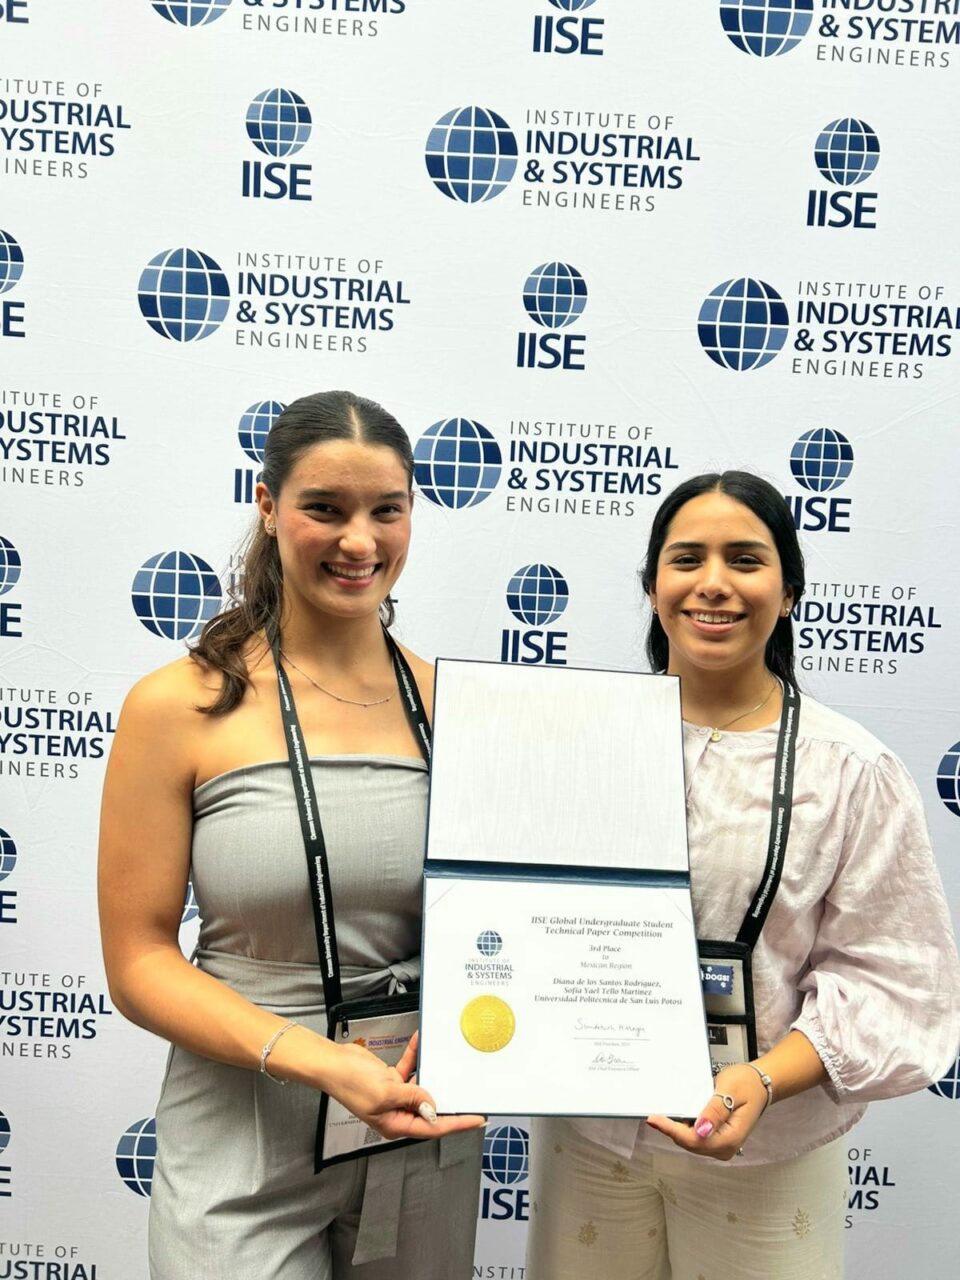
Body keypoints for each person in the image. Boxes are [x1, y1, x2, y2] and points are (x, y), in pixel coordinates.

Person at [526, 471, 960, 1280]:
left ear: (789, 591)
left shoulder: (850, 770)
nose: (714, 583)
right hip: (590, 1137)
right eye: (687, 558)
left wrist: (757, 1081)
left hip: (766, 1150)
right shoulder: (579, 745)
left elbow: (892, 979)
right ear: (653, 585)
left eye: (746, 560)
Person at [98, 390, 485, 1280]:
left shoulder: (460, 708)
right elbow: (139, 961)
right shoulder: (177, 706)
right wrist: (317, 1060)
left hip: (418, 1119)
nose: (360, 541)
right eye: (326, 508)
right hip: (243, 1132)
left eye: (387, 510)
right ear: (268, 507)